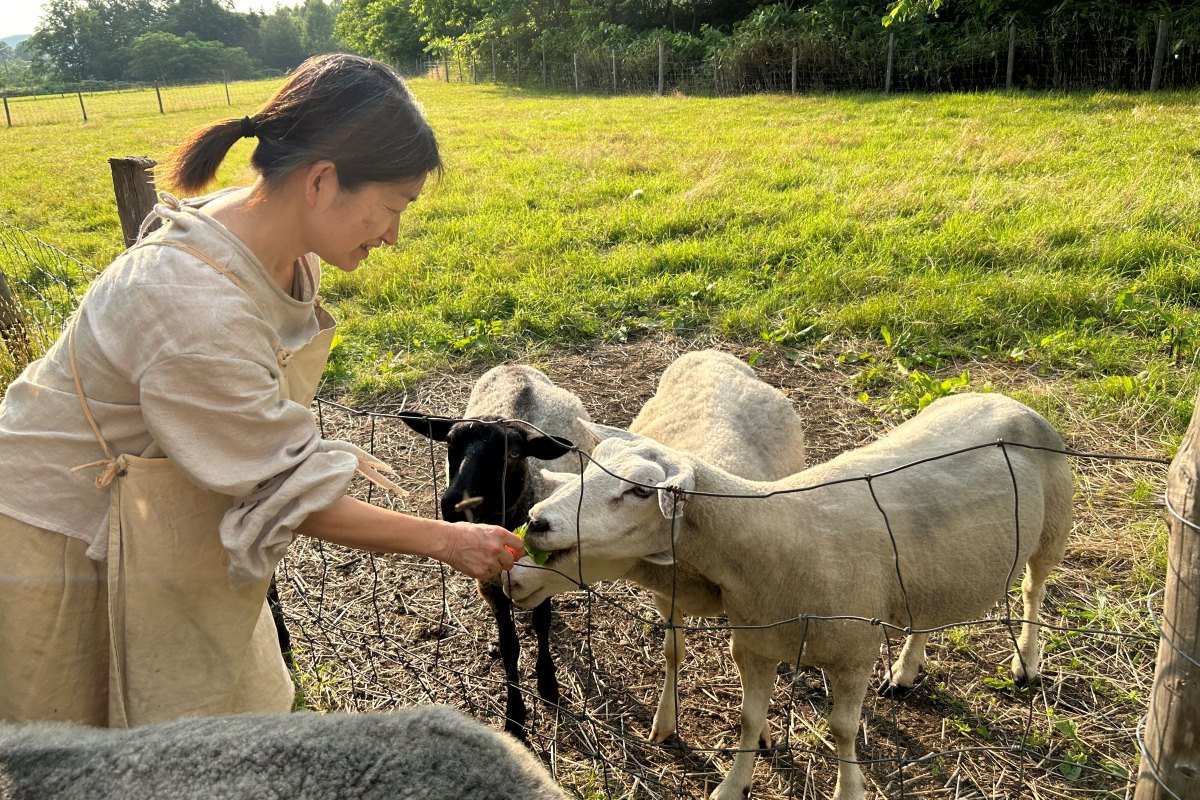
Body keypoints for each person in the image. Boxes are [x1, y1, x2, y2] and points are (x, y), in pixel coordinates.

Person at [0, 53, 524, 728]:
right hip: (51, 536)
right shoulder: (190, 302)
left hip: (150, 512)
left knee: (188, 716)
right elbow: (282, 493)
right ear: (322, 182)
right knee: (76, 747)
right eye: (392, 207)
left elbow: (250, 431)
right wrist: (451, 542)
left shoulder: (276, 244)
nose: (394, 235)